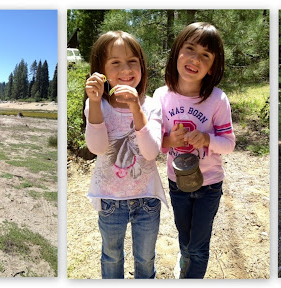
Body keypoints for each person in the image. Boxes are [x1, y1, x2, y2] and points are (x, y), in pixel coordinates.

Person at [154, 22, 235, 279]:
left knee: (199, 247)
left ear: (212, 68)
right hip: (177, 183)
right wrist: (169, 141)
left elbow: (229, 144)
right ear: (177, 52)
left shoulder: (217, 100)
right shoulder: (161, 97)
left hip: (210, 185)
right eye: (189, 49)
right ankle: (184, 256)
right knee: (184, 235)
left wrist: (207, 139)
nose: (195, 59)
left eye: (205, 55)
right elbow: (152, 143)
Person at [84, 31, 165, 279]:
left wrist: (135, 109)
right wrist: (95, 102)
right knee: (111, 256)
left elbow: (150, 152)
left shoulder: (151, 105)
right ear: (101, 70)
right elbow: (97, 148)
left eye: (132, 61)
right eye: (115, 62)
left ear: (141, 65)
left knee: (146, 258)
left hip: (147, 199)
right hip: (110, 199)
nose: (126, 69)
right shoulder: (98, 105)